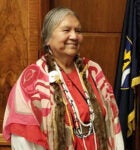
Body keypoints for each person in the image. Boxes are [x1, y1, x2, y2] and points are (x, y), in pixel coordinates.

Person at [2, 7, 124, 150]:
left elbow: (113, 121)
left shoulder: (93, 70)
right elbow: (23, 137)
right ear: (48, 39)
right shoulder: (32, 79)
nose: (74, 36)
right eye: (66, 30)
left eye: (78, 31)